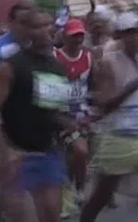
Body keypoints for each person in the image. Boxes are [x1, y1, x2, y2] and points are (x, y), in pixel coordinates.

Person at [0, 9, 80, 222]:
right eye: (38, 27)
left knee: (51, 214)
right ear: (27, 32)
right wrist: (2, 151)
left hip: (47, 151)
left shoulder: (56, 67)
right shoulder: (12, 66)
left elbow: (51, 111)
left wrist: (69, 123)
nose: (46, 31)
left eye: (48, 25)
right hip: (17, 152)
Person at [79, 12, 138, 222]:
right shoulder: (109, 62)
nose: (135, 37)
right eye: (129, 32)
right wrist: (131, 86)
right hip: (119, 135)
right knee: (101, 196)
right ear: (120, 35)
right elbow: (104, 103)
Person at [53, 18, 92, 215]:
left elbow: (96, 86)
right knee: (71, 154)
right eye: (73, 35)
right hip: (57, 115)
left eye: (80, 35)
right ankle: (66, 192)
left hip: (80, 114)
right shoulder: (54, 57)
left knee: (80, 153)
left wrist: (91, 112)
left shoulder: (89, 57)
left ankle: (79, 189)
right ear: (64, 37)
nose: (77, 39)